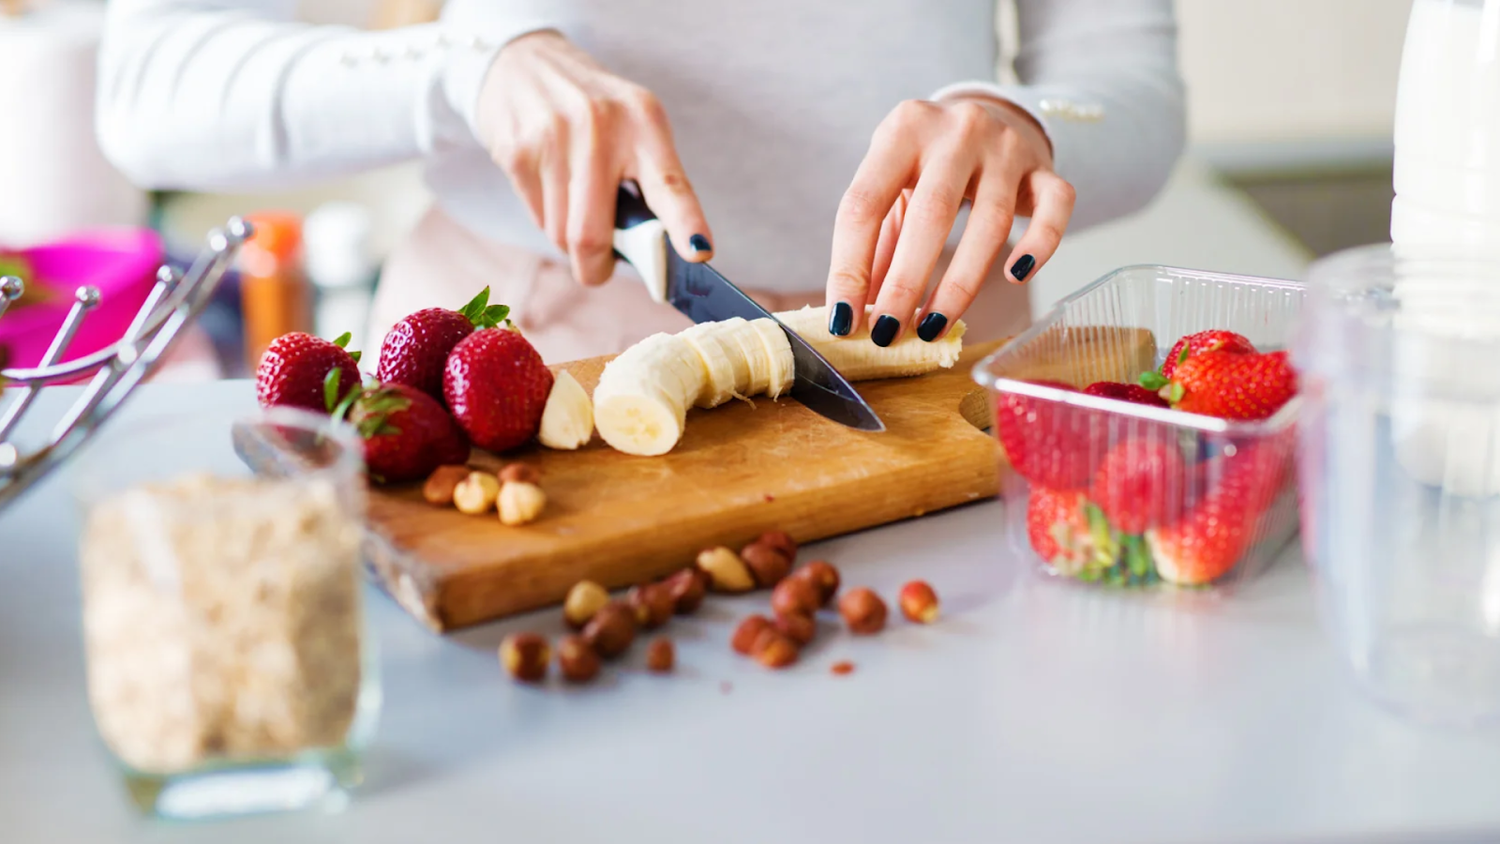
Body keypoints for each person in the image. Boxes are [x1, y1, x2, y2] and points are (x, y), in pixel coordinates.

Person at [97, 0, 1184, 364]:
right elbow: (150, 91)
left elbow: (1127, 76)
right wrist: (469, 69)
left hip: (933, 368)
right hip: (529, 351)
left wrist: (1028, 127)